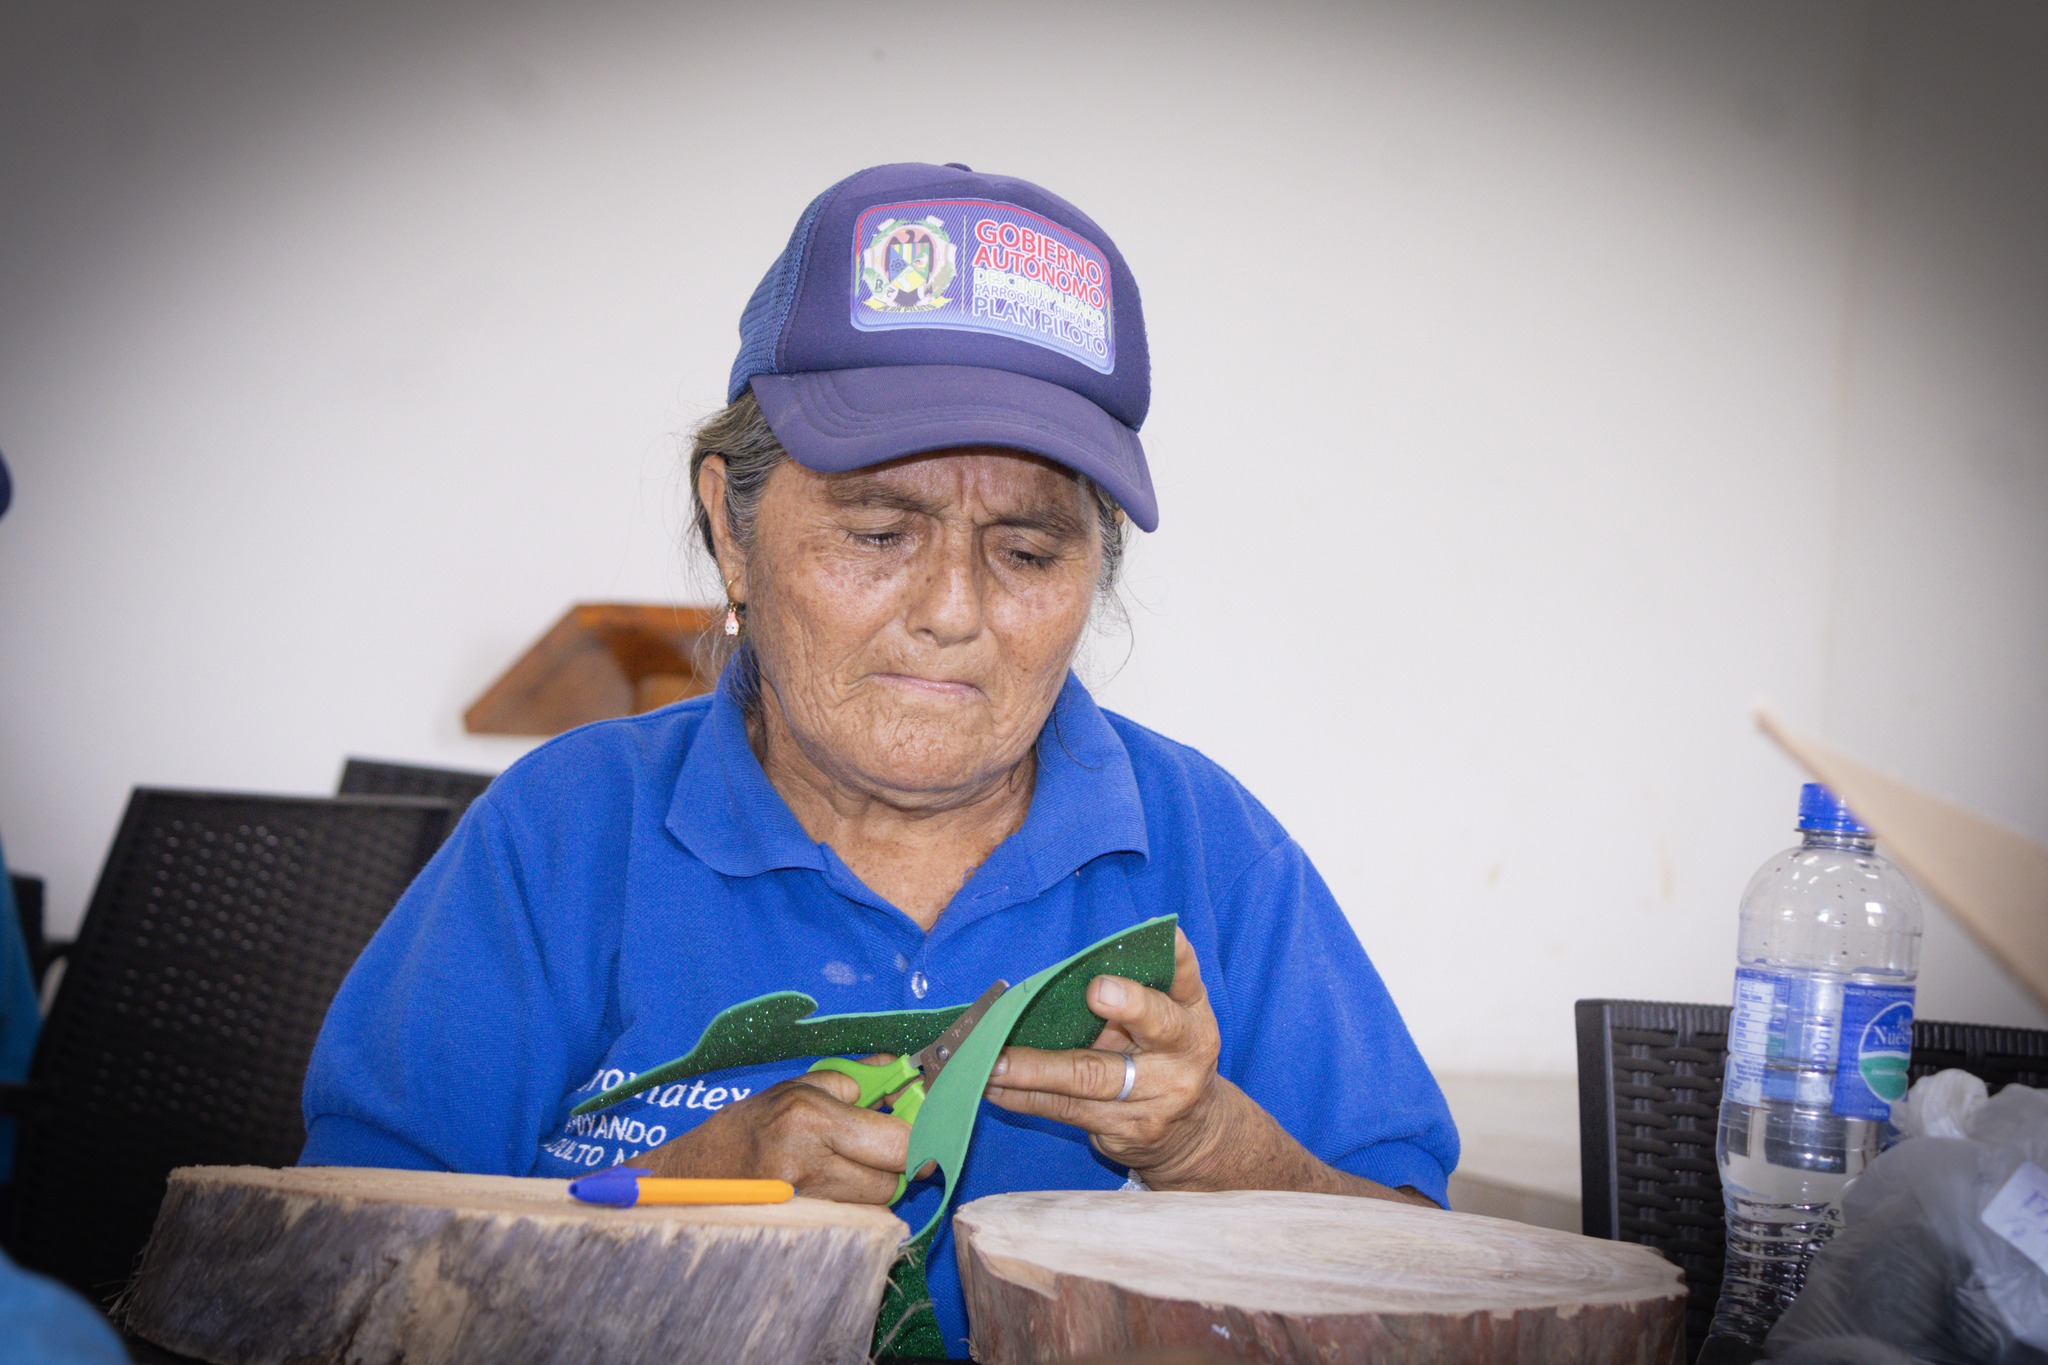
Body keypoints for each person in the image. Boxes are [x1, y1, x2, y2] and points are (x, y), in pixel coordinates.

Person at [300, 162, 1458, 1357]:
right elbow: (329, 1282)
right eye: (875, 532)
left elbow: (1436, 1291)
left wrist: (1208, 1145)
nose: (951, 611)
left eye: (1024, 553)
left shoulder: (1207, 845)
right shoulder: (566, 830)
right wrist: (684, 1189)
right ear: (730, 530)